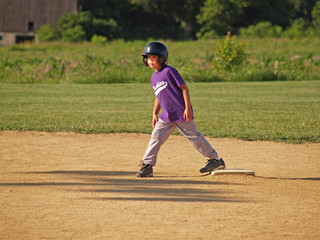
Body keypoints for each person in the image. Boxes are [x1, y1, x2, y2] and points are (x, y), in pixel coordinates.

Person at [136, 41, 225, 177]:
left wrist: (187, 108)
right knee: (156, 137)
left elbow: (184, 88)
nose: (150, 61)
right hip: (166, 116)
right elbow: (159, 95)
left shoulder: (169, 71)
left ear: (161, 58)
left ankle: (215, 160)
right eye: (148, 58)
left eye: (154, 57)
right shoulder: (154, 77)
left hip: (180, 113)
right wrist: (154, 113)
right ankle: (147, 165)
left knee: (194, 137)